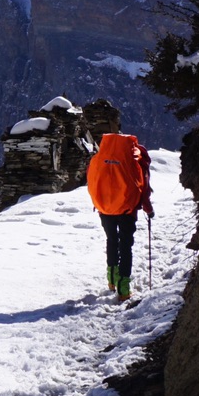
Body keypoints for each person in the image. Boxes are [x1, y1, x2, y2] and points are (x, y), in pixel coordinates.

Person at [82, 98, 152, 299]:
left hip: (105, 207)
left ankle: (111, 280)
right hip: (127, 209)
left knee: (111, 240)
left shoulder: (100, 158)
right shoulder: (137, 157)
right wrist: (148, 209)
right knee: (125, 245)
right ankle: (123, 289)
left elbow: (92, 181)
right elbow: (143, 186)